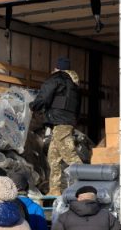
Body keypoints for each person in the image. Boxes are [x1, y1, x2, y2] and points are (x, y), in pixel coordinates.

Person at [30, 57, 83, 196]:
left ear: (57, 68)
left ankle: (88, 184)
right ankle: (54, 190)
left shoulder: (56, 79)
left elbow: (44, 96)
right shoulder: (74, 85)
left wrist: (33, 106)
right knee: (53, 158)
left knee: (69, 155)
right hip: (65, 122)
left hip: (61, 123)